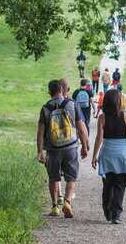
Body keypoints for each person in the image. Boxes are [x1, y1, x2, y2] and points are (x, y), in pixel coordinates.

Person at [90, 89, 126, 224]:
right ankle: (116, 214)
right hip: (123, 156)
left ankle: (107, 210)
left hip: (107, 155)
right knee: (120, 185)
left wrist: (94, 156)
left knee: (107, 185)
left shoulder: (102, 118)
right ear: (120, 102)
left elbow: (99, 138)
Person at [36, 78, 89, 218]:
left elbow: (40, 132)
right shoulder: (72, 104)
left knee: (53, 178)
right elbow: (81, 128)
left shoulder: (45, 108)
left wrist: (39, 151)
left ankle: (54, 206)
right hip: (70, 147)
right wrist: (84, 145)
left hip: (53, 149)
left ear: (49, 92)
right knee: (71, 177)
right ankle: (67, 202)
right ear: (62, 90)